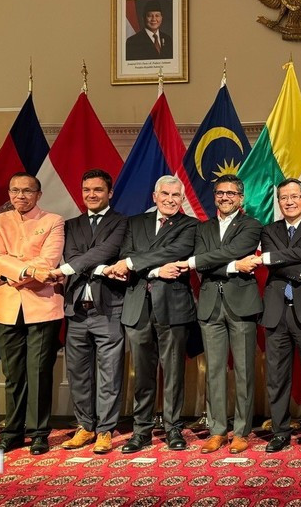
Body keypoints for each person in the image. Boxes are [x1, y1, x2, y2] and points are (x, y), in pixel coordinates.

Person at [103, 176, 197, 454]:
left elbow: (177, 251)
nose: (170, 199)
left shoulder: (190, 226)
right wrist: (155, 270)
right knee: (142, 374)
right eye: (165, 194)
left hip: (174, 309)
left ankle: (173, 429)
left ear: (182, 199)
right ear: (154, 196)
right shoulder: (134, 223)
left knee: (173, 373)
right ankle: (141, 431)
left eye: (176, 195)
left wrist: (133, 262)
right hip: (138, 308)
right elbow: (126, 253)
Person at [176, 175, 262, 455]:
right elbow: (207, 263)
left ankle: (241, 431)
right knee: (214, 370)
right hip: (211, 304)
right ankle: (216, 430)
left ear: (241, 198)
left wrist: (202, 261)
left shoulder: (252, 225)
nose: (225, 197)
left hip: (242, 305)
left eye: (231, 193)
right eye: (220, 193)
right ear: (214, 196)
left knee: (244, 371)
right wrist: (235, 266)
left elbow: (233, 250)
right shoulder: (203, 228)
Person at [245, 178, 301, 455]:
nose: (290, 202)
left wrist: (274, 260)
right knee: (276, 377)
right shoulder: (269, 229)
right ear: (279, 202)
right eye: (284, 198)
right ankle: (280, 432)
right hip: (276, 312)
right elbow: (277, 261)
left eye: (295, 196)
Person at [48, 169, 128, 455]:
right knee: (78, 374)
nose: (91, 195)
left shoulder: (122, 222)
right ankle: (85, 426)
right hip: (76, 310)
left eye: (97, 190)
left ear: (109, 193)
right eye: (86, 190)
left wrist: (80, 266)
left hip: (108, 309)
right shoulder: (69, 225)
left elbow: (108, 250)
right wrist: (98, 268)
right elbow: (71, 256)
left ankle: (105, 429)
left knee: (109, 373)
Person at [0, 173, 65, 455]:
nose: (21, 196)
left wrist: (11, 274)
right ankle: (13, 432)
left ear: (38, 195)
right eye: (15, 190)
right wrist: (26, 270)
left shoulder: (53, 220)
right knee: (13, 373)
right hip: (6, 308)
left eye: (27, 191)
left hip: (42, 306)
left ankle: (40, 432)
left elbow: (49, 261)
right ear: (9, 194)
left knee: (40, 372)